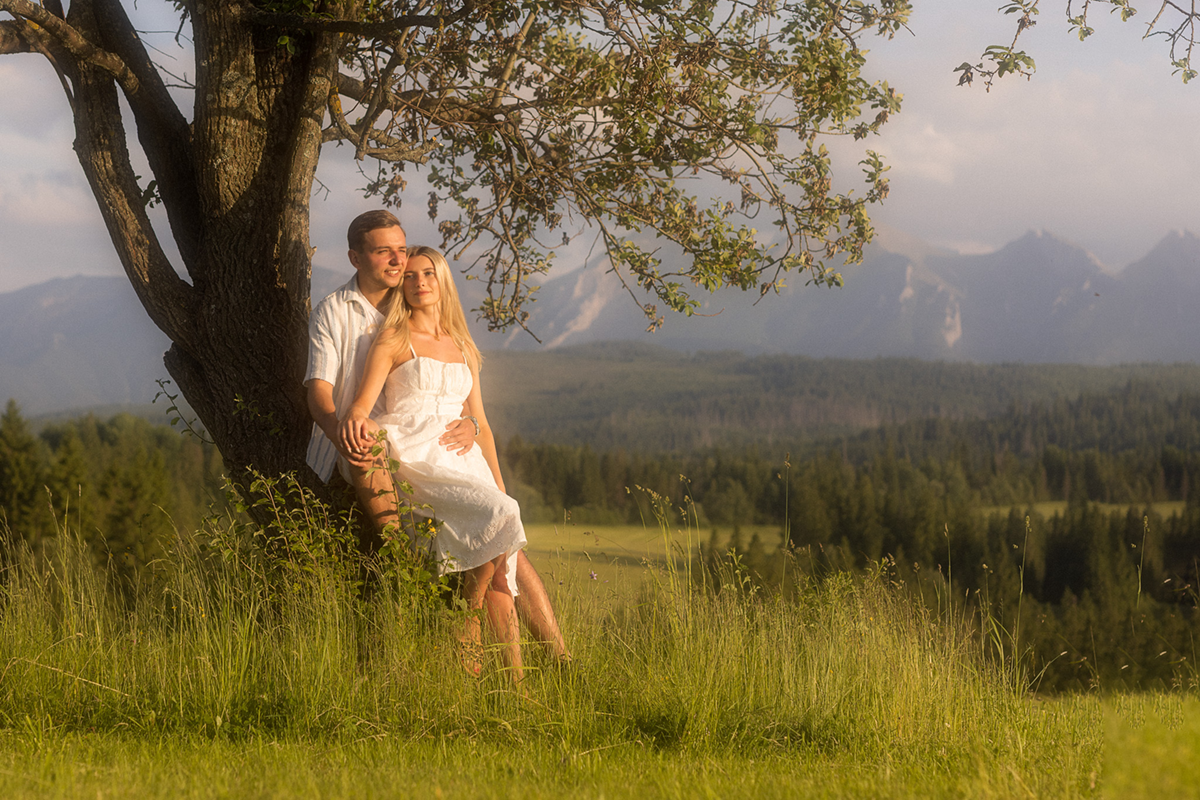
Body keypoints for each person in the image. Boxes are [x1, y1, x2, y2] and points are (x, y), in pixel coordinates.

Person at [304, 211, 568, 663]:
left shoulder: (420, 312)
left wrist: (475, 426)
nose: (398, 262)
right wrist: (345, 433)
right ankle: (409, 565)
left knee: (508, 555)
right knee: (380, 452)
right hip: (381, 445)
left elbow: (469, 408)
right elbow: (323, 393)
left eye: (401, 251)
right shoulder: (338, 311)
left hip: (444, 451)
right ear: (356, 257)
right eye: (384, 251)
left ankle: (557, 664)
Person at [339, 244, 529, 677]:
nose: (419, 282)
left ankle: (516, 686)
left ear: (443, 281)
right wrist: (354, 424)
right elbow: (363, 407)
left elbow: (479, 418)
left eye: (428, 274)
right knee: (503, 517)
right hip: (417, 455)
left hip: (467, 464)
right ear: (402, 285)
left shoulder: (462, 343)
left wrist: (496, 478)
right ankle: (467, 615)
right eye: (410, 275)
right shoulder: (393, 337)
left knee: (503, 565)